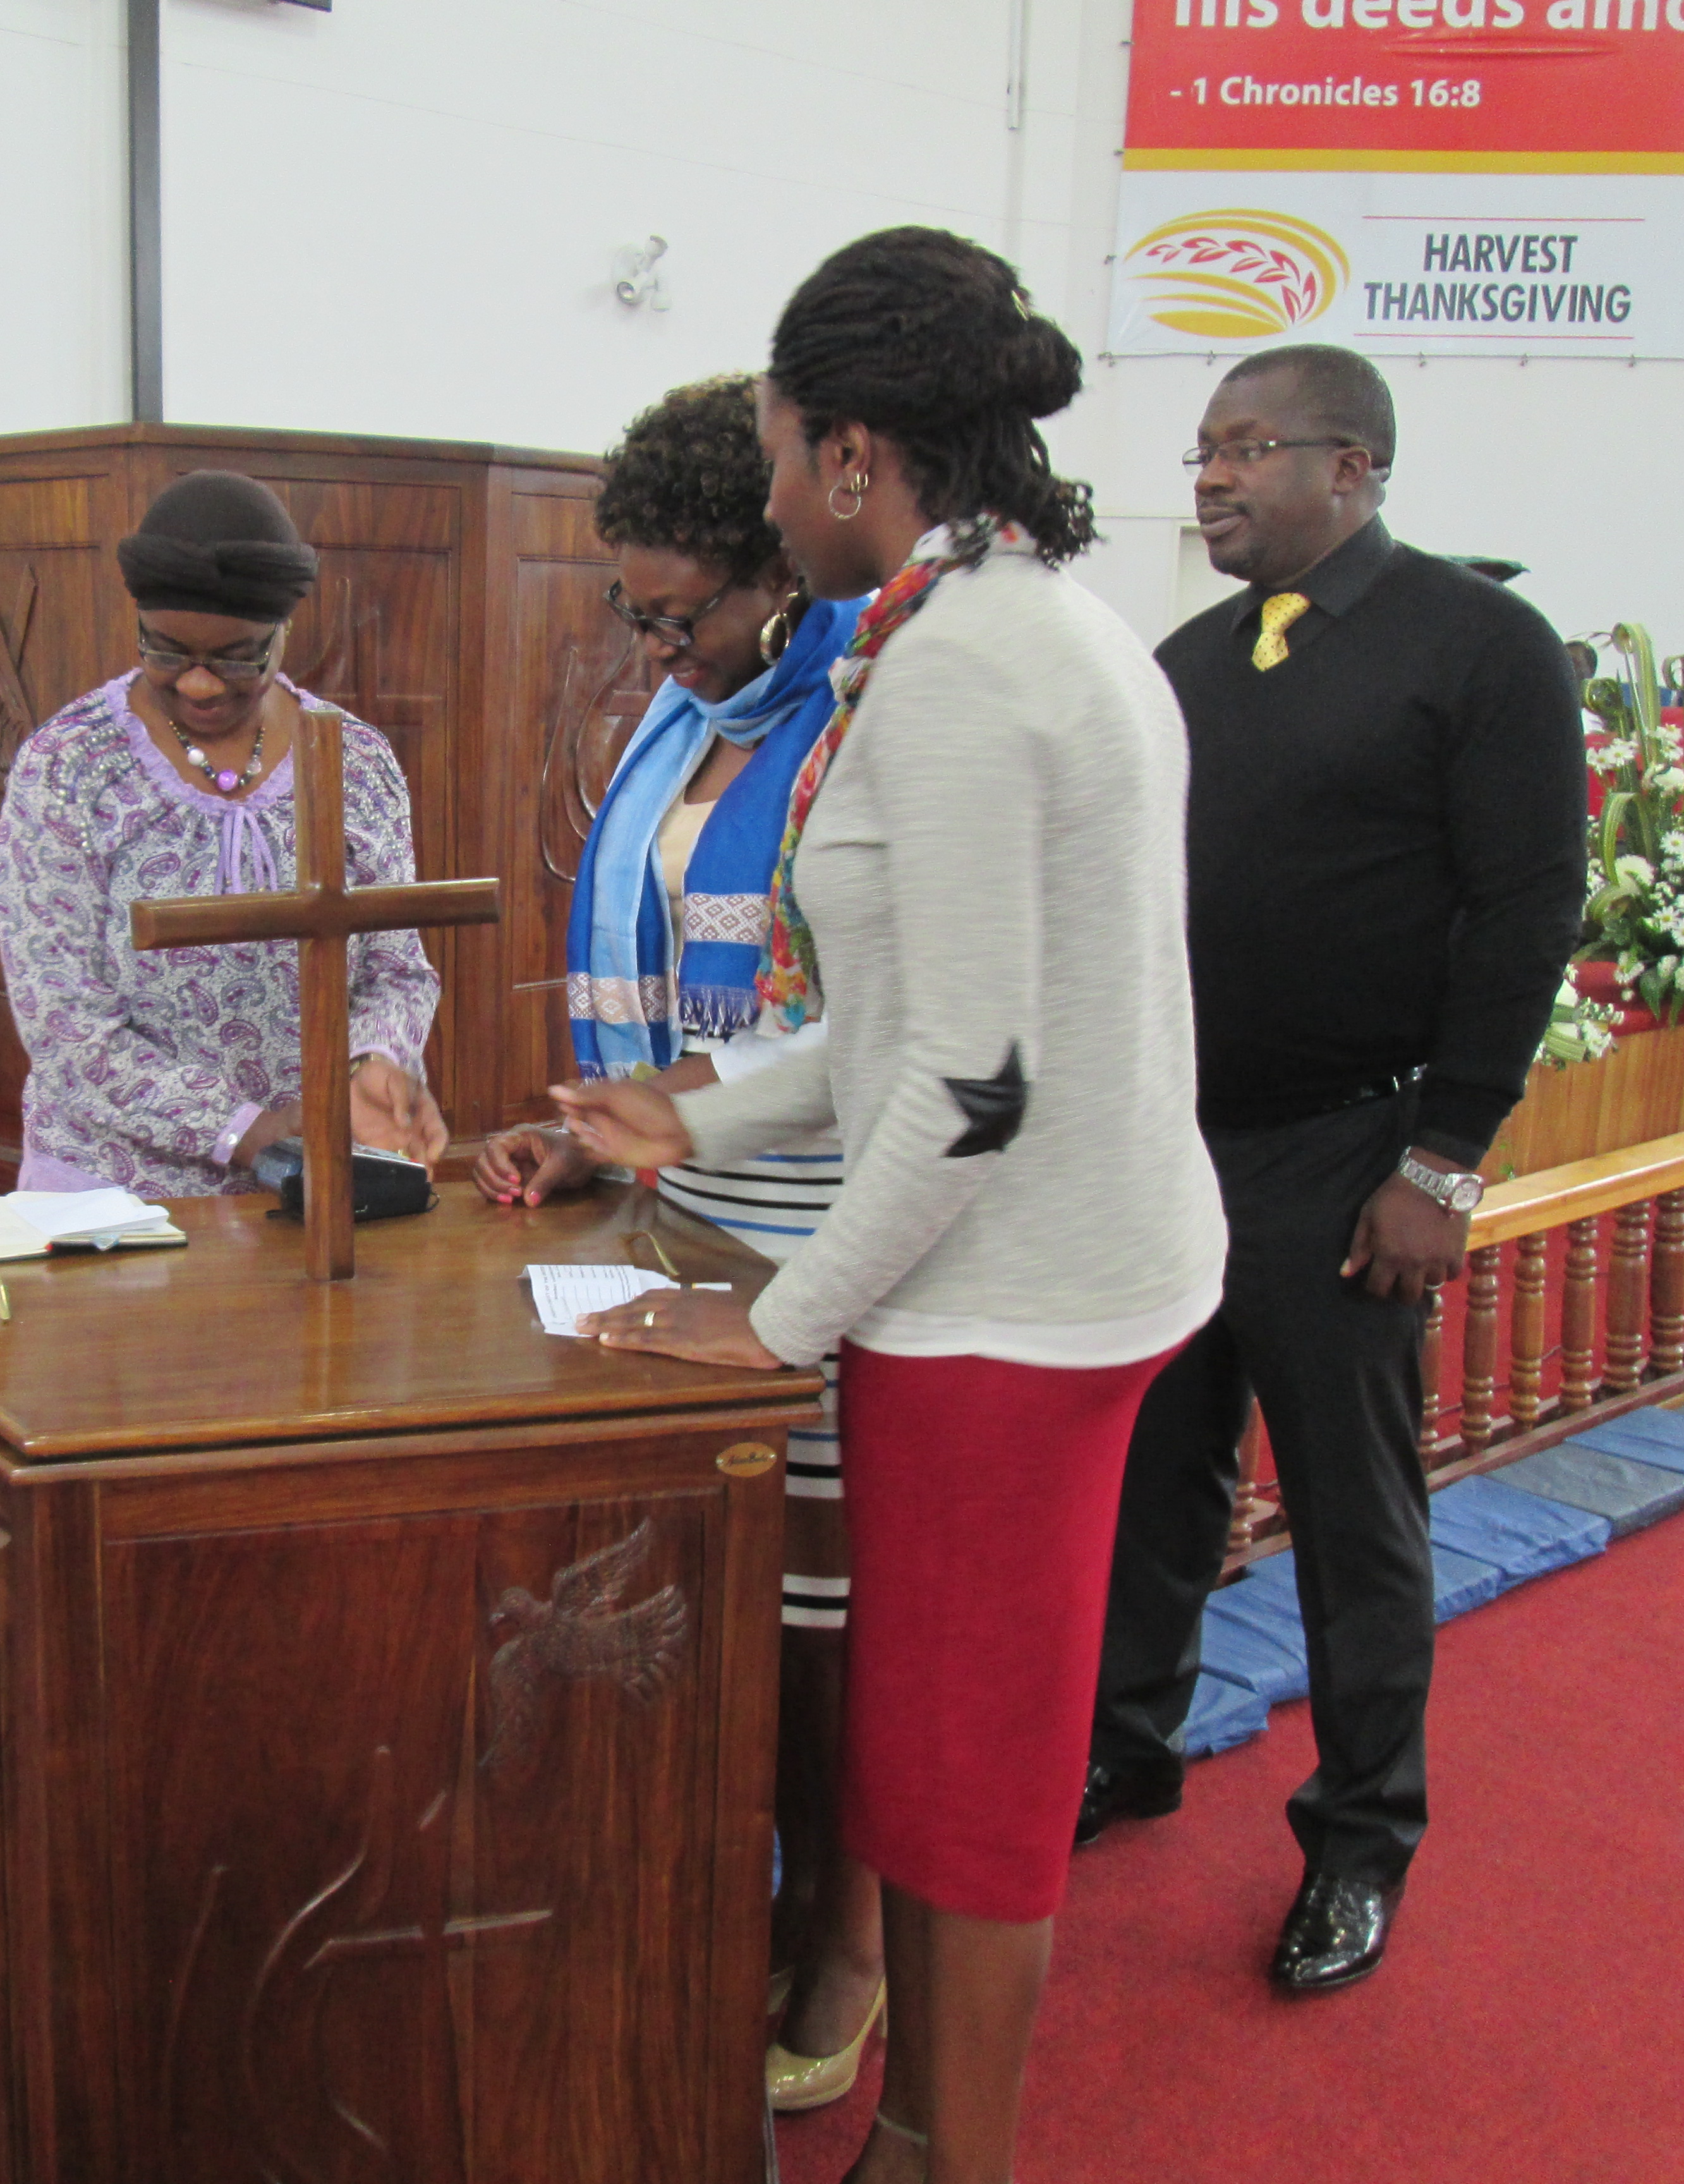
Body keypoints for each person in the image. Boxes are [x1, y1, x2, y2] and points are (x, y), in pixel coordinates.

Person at [550, 228, 1224, 2184]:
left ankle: (947, 2154)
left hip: (1010, 1311)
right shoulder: (1036, 625)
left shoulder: (960, 673)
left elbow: (967, 1092)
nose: (764, 497)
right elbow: (902, 1028)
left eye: (773, 456)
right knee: (936, 1760)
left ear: (854, 456)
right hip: (1053, 1275)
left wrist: (771, 1321)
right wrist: (684, 1118)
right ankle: (918, 2130)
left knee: (974, 1777)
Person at [1082, 346, 1587, 1996]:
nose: (1212, 477)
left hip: (1351, 1154)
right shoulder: (1185, 662)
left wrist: (1443, 1157)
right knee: (1156, 1479)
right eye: (1205, 449)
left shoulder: (1478, 648)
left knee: (1353, 1517)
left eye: (1250, 448)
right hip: (1173, 1151)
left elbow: (1523, 913)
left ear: (1353, 467)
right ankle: (1127, 1749)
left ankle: (1362, 1839)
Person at [468, 373, 883, 2113]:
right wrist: (587, 1133)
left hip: (846, 1228)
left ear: (778, 559)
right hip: (677, 1216)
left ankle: (846, 1936)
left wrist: (686, 1125)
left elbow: (881, 1025)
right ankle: (723, 1883)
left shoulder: (863, 704)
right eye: (633, 617)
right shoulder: (679, 720)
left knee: (823, 1621)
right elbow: (644, 981)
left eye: (682, 611)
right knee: (702, 1598)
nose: (656, 652)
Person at [0, 470, 445, 1198]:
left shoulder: (355, 761)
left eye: (239, 657)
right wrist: (252, 1132)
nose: (200, 684)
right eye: (166, 651)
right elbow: (65, 1024)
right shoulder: (70, 766)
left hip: (313, 1177)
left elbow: (396, 971)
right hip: (115, 1188)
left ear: (285, 632)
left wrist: (376, 1068)